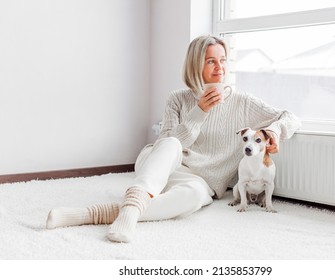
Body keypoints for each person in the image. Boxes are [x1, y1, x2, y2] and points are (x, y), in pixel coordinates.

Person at [46, 35, 301, 243]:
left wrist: (273, 132)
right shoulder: (177, 99)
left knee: (192, 198)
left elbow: (289, 116)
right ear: (195, 65)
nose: (220, 68)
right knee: (172, 143)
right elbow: (167, 143)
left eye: (222, 60)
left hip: (201, 180)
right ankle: (131, 208)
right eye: (211, 61)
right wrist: (199, 112)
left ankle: (98, 214)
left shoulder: (242, 103)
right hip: (160, 164)